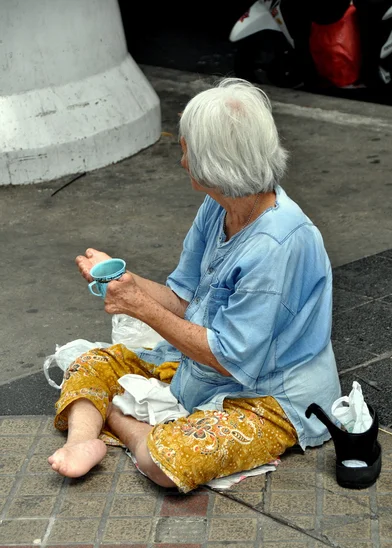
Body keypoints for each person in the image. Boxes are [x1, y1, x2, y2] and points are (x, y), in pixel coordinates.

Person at [48, 78, 341, 492]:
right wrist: (121, 281)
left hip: (269, 395)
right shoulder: (218, 205)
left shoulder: (279, 244)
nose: (182, 159)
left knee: (165, 459)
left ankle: (123, 427)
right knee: (90, 362)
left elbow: (230, 359)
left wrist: (139, 307)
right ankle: (83, 442)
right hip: (200, 369)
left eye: (186, 148)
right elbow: (184, 300)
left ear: (213, 162)